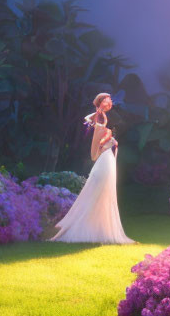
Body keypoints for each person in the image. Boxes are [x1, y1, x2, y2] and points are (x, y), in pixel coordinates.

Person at [50, 92, 135, 244]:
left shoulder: (100, 115)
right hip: (105, 155)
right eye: (106, 100)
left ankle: (98, 225)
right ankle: (88, 225)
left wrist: (103, 132)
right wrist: (107, 136)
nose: (109, 102)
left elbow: (91, 123)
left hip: (107, 154)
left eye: (109, 100)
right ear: (101, 102)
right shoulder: (100, 115)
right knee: (100, 188)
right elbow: (99, 135)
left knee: (102, 188)